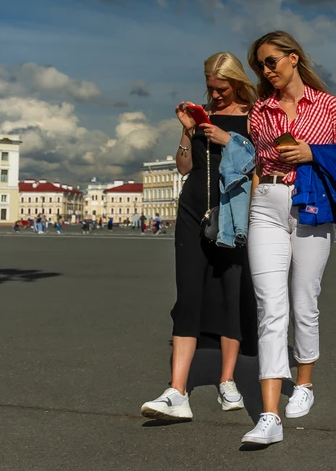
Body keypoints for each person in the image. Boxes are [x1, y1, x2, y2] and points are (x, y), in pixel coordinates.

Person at [242, 30, 336, 446]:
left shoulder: (330, 107)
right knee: (270, 307)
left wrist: (312, 152)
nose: (266, 70)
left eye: (271, 61)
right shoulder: (261, 111)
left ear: (294, 58)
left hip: (311, 205)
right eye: (260, 65)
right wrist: (256, 203)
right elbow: (258, 162)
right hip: (268, 203)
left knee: (303, 299)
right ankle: (269, 416)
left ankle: (304, 383)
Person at [141, 52, 259, 422]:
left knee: (228, 293)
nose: (215, 95)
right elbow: (184, 166)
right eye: (210, 88)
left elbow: (261, 162)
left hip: (232, 214)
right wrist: (185, 129)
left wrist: (228, 139)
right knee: (188, 294)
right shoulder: (201, 114)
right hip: (193, 209)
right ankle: (177, 392)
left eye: (221, 88)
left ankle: (227, 381)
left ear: (237, 82)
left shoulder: (256, 115)